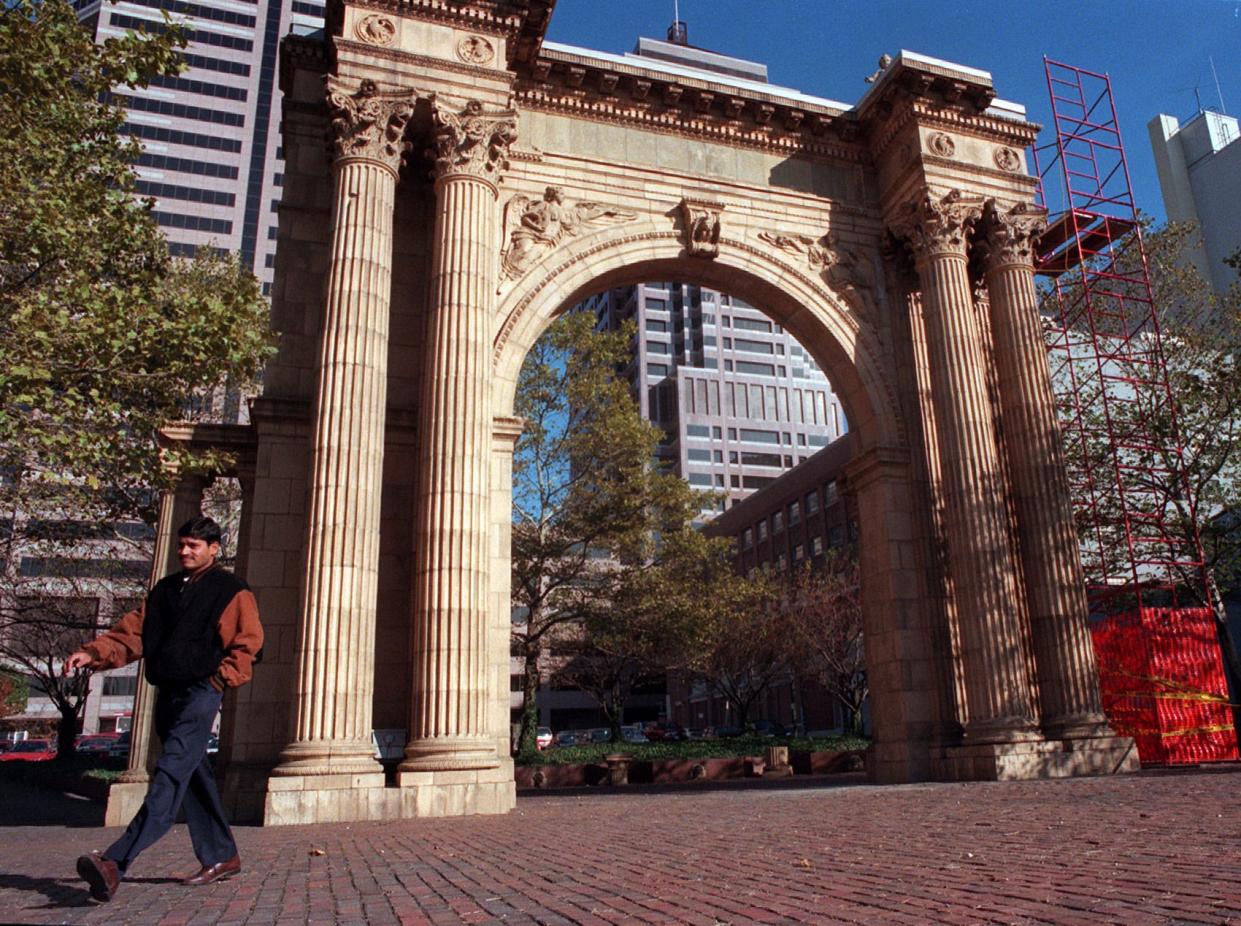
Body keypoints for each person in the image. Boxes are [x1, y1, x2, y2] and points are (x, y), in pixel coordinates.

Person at [64, 516, 263, 902]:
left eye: (194, 546)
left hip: (201, 692)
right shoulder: (165, 590)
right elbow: (131, 635)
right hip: (168, 692)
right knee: (192, 774)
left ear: (214, 548)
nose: (186, 551)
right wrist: (92, 653)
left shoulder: (231, 590)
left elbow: (248, 642)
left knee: (170, 773)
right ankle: (222, 855)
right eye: (183, 545)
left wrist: (218, 681)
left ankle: (114, 862)